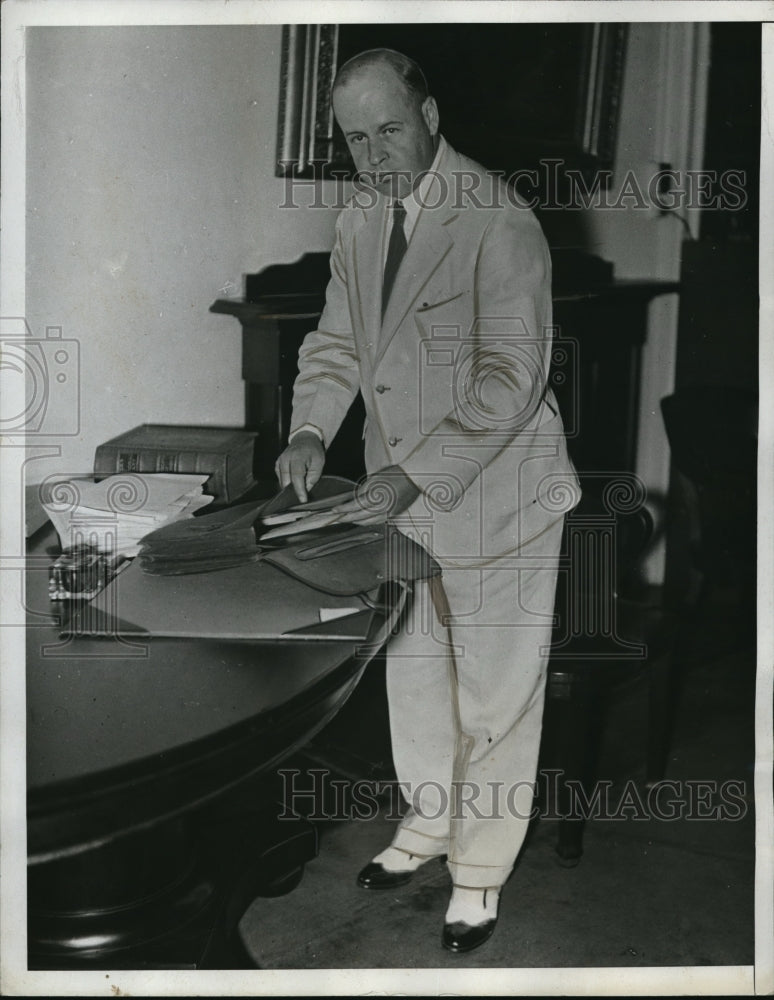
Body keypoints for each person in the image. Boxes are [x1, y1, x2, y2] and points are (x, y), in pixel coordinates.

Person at [275, 48, 579, 954]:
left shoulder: (498, 217)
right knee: (412, 671)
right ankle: (428, 826)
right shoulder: (361, 218)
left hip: (498, 489)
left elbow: (510, 380)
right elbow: (335, 346)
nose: (374, 155)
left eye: (390, 130)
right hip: (396, 495)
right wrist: (308, 432)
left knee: (495, 691)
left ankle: (479, 875)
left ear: (432, 116)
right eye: (356, 139)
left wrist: (414, 471)